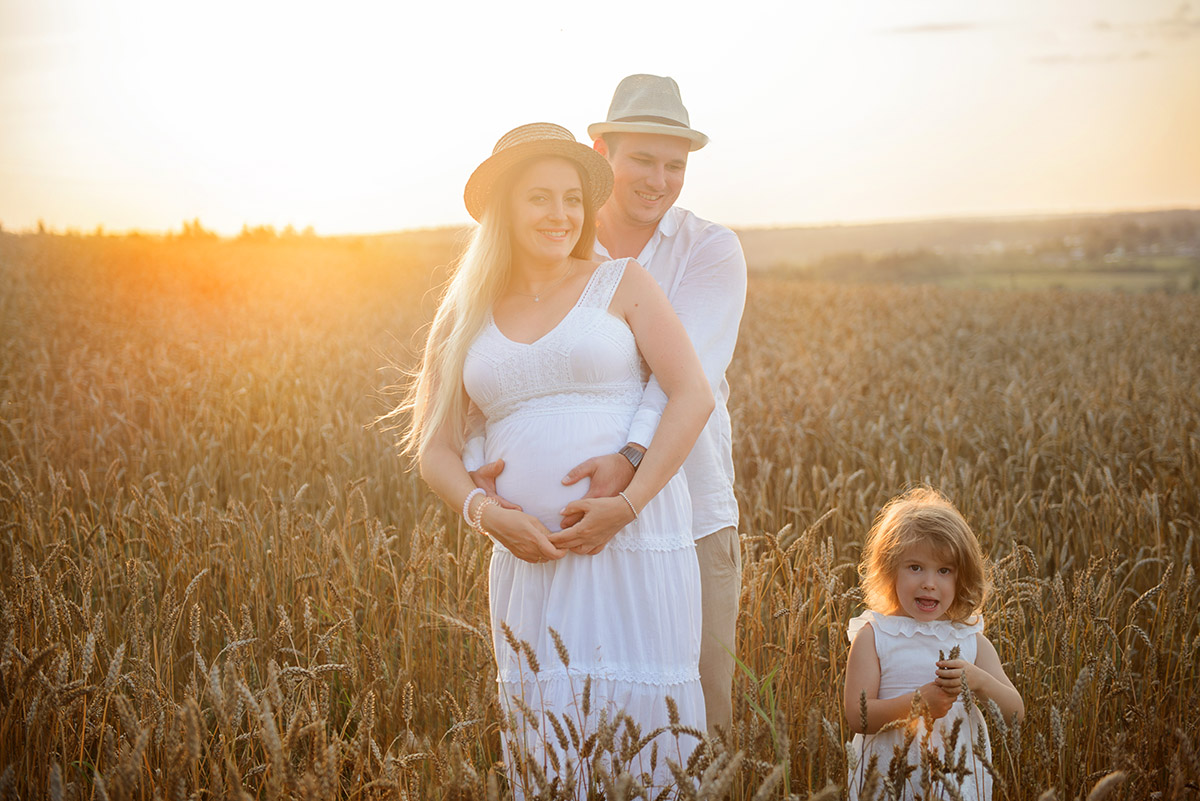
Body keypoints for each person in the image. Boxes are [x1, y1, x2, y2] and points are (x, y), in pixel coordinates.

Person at [404, 122, 713, 794]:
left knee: (642, 725)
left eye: (573, 199)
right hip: (528, 557)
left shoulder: (621, 282)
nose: (561, 215)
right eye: (540, 198)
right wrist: (485, 513)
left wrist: (625, 505)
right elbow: (435, 449)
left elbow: (692, 395)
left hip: (631, 544)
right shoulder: (464, 313)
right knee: (550, 739)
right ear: (504, 209)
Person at [469, 74, 748, 736]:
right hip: (555, 535)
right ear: (602, 153)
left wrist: (629, 462)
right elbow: (502, 369)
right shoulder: (555, 240)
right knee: (563, 718)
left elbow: (683, 379)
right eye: (643, 160)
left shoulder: (709, 249)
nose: (659, 179)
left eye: (674, 165)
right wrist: (483, 467)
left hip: (686, 515)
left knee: (693, 712)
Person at [843, 487, 1025, 801]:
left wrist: (980, 682)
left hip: (955, 778)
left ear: (961, 578)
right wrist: (917, 704)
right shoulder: (875, 636)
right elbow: (857, 717)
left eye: (944, 571)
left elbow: (1015, 715)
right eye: (915, 567)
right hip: (889, 778)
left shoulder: (971, 641)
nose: (929, 582)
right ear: (890, 571)